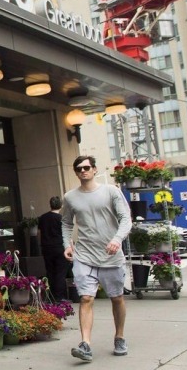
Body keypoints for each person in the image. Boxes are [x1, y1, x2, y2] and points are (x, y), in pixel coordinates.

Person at [62, 155, 132, 361]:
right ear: (75, 172)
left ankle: (119, 336)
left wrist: (117, 239)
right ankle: (85, 344)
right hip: (84, 255)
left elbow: (126, 219)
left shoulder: (111, 191)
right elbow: (66, 223)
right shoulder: (70, 197)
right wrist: (67, 245)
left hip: (111, 255)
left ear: (94, 169)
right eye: (78, 168)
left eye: (86, 167)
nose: (83, 171)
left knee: (116, 297)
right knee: (85, 297)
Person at [39, 196, 68, 302]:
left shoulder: (43, 217)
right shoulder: (61, 218)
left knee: (50, 272)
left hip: (46, 248)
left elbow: (39, 233)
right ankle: (59, 297)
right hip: (59, 247)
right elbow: (66, 234)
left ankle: (50, 295)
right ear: (61, 205)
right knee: (60, 273)